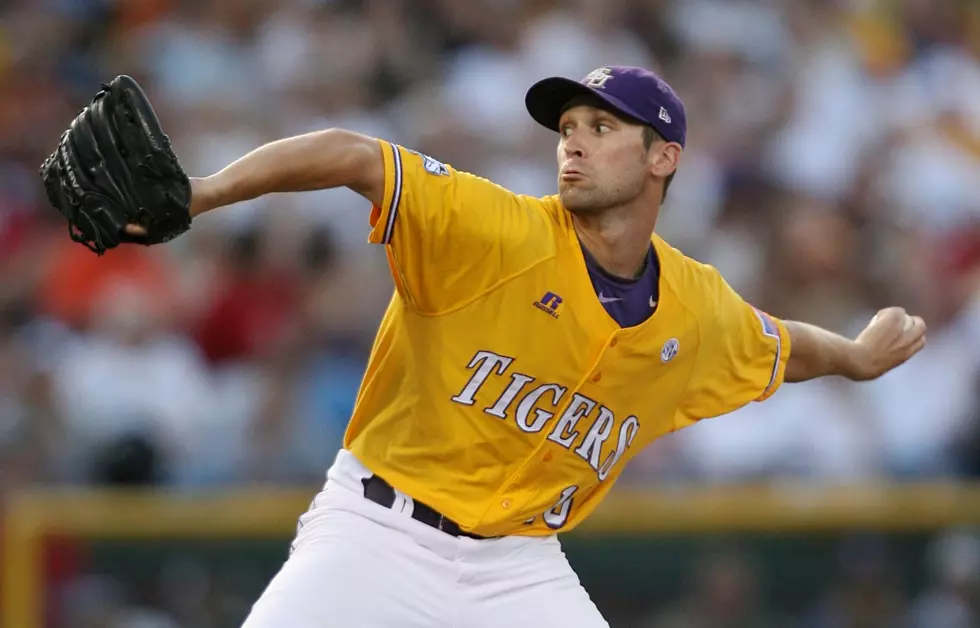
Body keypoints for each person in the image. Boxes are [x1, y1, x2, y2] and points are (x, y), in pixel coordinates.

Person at [135, 66, 926, 627]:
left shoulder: (699, 308)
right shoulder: (497, 229)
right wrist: (204, 192)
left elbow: (784, 346)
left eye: (602, 127)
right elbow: (354, 155)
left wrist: (856, 357)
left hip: (518, 569)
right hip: (375, 535)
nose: (572, 143)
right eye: (568, 128)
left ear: (664, 158)